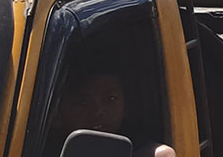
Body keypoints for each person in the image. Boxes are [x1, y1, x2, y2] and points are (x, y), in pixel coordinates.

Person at [47, 67, 176, 157]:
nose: (99, 111)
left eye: (111, 99)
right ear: (56, 116)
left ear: (126, 107)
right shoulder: (34, 144)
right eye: (83, 103)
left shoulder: (134, 147)